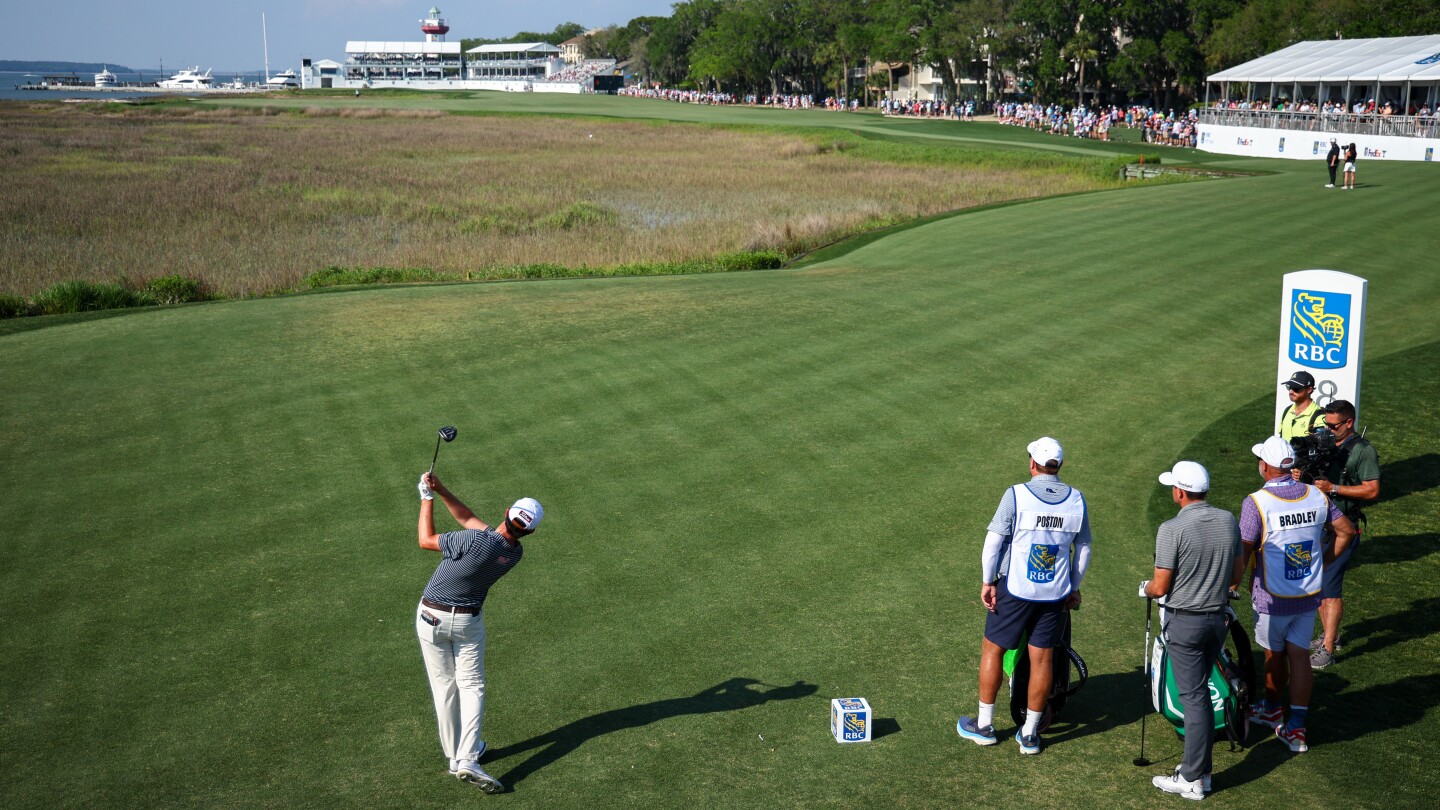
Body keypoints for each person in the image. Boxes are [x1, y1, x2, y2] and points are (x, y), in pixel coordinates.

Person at [957, 437, 1091, 756]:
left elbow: (993, 543)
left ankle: (985, 726)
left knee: (993, 649)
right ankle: (1029, 734)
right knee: (1042, 659)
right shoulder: (1076, 498)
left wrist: (988, 581)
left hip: (1015, 587)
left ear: (1032, 463)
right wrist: (1073, 585)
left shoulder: (1016, 494)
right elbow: (1083, 547)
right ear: (1059, 466)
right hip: (1055, 592)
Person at [414, 471, 544, 793]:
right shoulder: (513, 553)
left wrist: (427, 499)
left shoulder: (472, 540)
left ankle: (454, 758)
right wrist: (441, 489)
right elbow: (469, 518)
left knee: (444, 687)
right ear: (528, 531)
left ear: (506, 513)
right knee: (471, 686)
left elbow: (425, 540)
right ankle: (468, 756)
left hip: (429, 616)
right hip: (467, 623)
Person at [1236, 436, 1354, 754]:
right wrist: (1325, 563)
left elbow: (1244, 550)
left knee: (1274, 655)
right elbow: (1346, 531)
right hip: (1308, 592)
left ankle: (1272, 709)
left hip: (1272, 598)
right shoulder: (1316, 496)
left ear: (1265, 467)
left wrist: (1232, 584)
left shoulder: (1256, 502)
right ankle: (1297, 728)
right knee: (1299, 656)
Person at [1143, 461, 1243, 800]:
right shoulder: (1227, 520)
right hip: (1217, 621)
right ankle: (1204, 774)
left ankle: (1190, 777)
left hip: (1185, 623)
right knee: (1198, 694)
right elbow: (1236, 575)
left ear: (1180, 492)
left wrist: (1146, 589)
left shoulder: (1171, 528)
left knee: (1195, 700)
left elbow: (1160, 586)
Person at [1300, 400, 1380, 669]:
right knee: (1321, 585)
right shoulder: (1326, 445)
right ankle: (1328, 635)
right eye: (1326, 424)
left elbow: (1371, 490)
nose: (1328, 430)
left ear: (1349, 423)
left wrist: (1333, 488)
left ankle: (1328, 648)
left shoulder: (1363, 451)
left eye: (1334, 426)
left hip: (1343, 527)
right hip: (1321, 524)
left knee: (1330, 587)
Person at [1277, 371, 1324, 441]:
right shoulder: (1286, 411)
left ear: (1309, 390)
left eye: (1296, 388)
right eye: (1289, 387)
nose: (1291, 392)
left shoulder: (1319, 416)